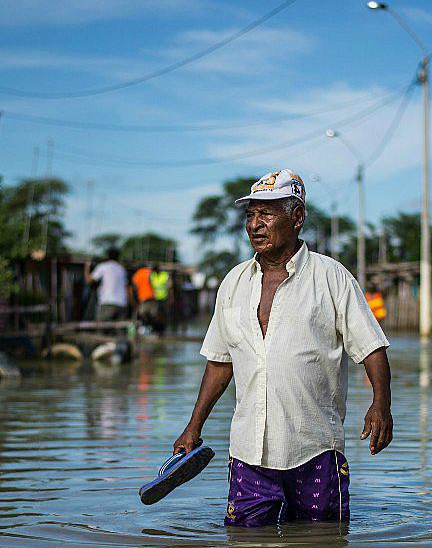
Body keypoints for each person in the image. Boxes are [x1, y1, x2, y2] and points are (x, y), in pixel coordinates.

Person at [173, 169, 393, 527]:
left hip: (315, 447)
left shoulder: (331, 277)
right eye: (250, 215)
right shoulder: (234, 283)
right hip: (248, 451)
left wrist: (380, 404)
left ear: (297, 218)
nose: (255, 225)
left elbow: (372, 348)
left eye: (267, 214)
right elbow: (219, 363)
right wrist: (192, 427)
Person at [89, 247, 129, 322]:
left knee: (103, 329)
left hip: (107, 302)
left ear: (107, 256)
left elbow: (90, 280)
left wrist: (87, 267)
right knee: (119, 331)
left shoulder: (103, 266)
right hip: (122, 303)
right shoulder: (122, 269)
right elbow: (126, 286)